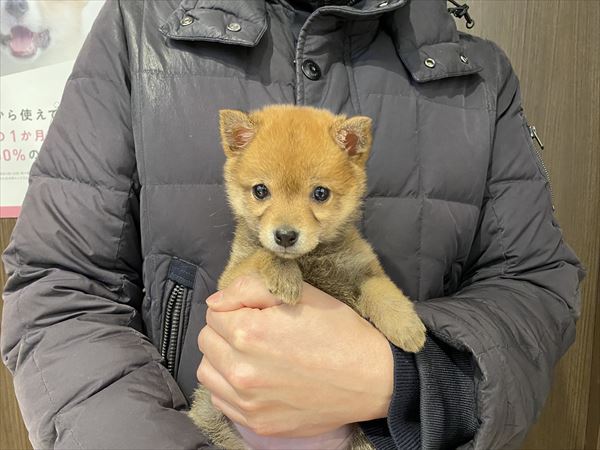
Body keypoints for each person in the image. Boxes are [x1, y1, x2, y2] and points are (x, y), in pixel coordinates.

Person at [0, 0, 585, 449]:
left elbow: (536, 288)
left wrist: (411, 378)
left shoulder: (478, 76)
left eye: (320, 194)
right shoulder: (137, 29)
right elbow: (60, 290)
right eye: (260, 191)